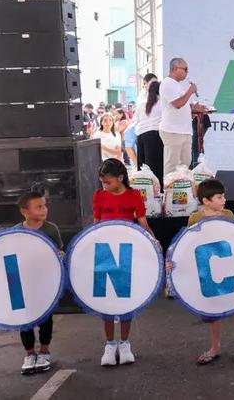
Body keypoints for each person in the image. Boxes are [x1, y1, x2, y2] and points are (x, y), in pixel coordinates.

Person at [93, 159, 158, 367]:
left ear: (120, 178)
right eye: (102, 182)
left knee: (126, 298)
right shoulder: (99, 196)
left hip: (127, 251)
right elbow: (96, 223)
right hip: (104, 251)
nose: (105, 186)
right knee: (106, 299)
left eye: (108, 182)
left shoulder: (134, 195)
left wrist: (154, 242)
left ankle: (125, 343)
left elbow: (142, 222)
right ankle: (109, 344)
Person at [184, 179, 234, 366]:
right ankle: (215, 347)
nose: (224, 200)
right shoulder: (195, 218)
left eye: (223, 196)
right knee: (212, 308)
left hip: (230, 265)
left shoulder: (228, 214)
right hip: (208, 269)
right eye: (219, 197)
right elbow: (187, 244)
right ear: (206, 201)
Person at [15, 192, 63, 375]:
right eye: (39, 207)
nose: (44, 210)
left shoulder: (51, 229)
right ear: (25, 211)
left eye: (44, 206)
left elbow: (59, 251)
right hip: (24, 284)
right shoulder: (15, 232)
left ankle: (44, 352)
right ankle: (29, 354)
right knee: (25, 319)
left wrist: (60, 257)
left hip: (45, 283)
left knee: (45, 318)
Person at [159, 58, 205, 176]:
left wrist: (194, 108)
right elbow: (178, 104)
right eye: (185, 69)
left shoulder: (176, 85)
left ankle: (182, 186)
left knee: (185, 163)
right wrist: (190, 91)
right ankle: (169, 187)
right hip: (173, 130)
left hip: (184, 130)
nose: (187, 72)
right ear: (175, 68)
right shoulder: (167, 83)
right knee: (172, 164)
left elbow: (182, 105)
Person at [135, 80, 164, 184]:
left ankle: (143, 189)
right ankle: (158, 191)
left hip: (141, 135)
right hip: (155, 135)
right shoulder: (162, 103)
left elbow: (136, 120)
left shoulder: (141, 104)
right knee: (156, 167)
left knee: (143, 167)